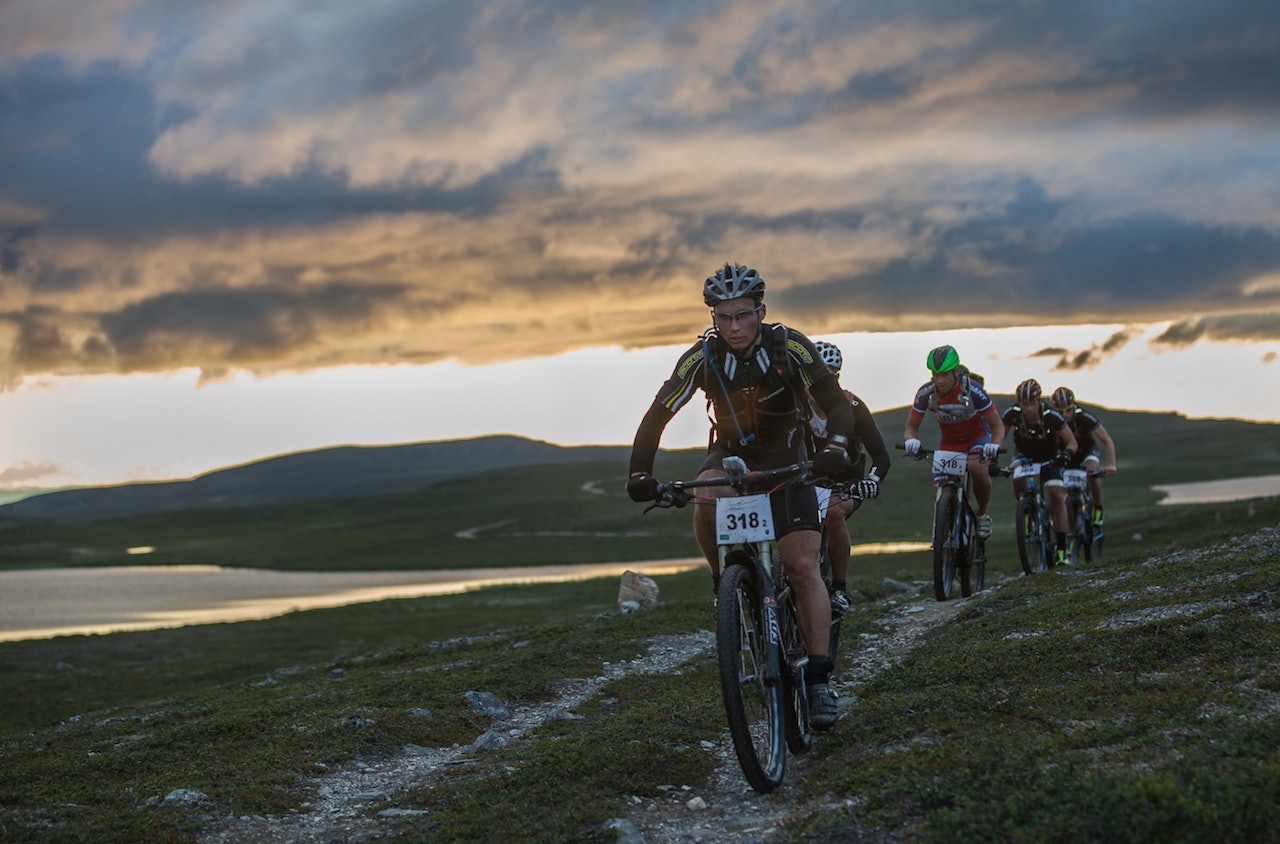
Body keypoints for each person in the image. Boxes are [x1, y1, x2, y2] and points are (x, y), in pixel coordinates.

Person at [626, 263, 861, 730]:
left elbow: (835, 403)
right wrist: (640, 472)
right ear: (713, 318)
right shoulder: (703, 357)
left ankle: (817, 680)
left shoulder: (789, 345)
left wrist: (834, 447)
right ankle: (724, 583)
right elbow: (658, 413)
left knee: (801, 567)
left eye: (742, 315)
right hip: (731, 456)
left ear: (761, 312)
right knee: (708, 491)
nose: (733, 326)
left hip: (790, 458)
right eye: (723, 317)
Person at [809, 340, 892, 615]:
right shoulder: (795, 406)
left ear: (837, 377)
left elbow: (881, 455)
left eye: (829, 377)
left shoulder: (853, 406)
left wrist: (873, 480)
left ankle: (839, 589)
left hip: (847, 481)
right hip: (808, 479)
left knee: (833, 515)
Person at [902, 345, 1005, 540]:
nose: (939, 380)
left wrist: (995, 444)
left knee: (977, 468)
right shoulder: (926, 393)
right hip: (950, 444)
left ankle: (982, 513)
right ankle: (943, 539)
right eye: (935, 374)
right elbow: (911, 427)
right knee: (944, 490)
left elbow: (997, 425)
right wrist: (912, 440)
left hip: (977, 438)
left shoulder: (973, 390)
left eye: (945, 375)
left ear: (956, 372)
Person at [1000, 379, 1079, 565]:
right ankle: (1026, 509)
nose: (1029, 409)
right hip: (1024, 455)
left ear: (1039, 401)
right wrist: (990, 455)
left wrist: (1066, 454)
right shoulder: (1013, 414)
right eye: (1024, 404)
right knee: (1015, 474)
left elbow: (1072, 442)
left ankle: (1061, 549)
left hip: (1051, 458)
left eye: (1032, 404)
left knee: (1056, 495)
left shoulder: (1050, 415)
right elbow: (998, 437)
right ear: (1019, 402)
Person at [1050, 386, 1118, 528]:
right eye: (1060, 412)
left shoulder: (1084, 416)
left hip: (1087, 451)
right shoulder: (1050, 419)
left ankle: (1098, 508)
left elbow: (1107, 440)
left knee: (1092, 470)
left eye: (1068, 410)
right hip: (1066, 453)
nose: (1065, 415)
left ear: (1074, 405)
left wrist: (1111, 464)